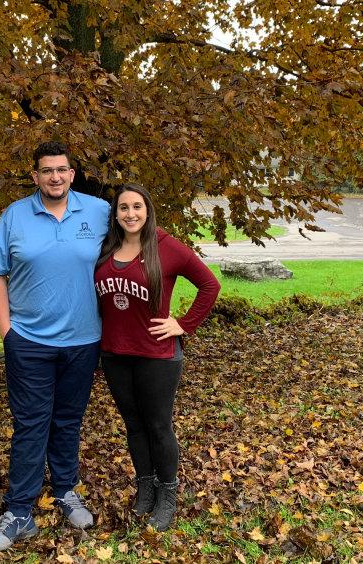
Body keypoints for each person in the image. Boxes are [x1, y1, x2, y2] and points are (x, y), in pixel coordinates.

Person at [0, 141, 110, 551]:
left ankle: (65, 491)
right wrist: (8, 333)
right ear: (35, 175)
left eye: (62, 169)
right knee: (31, 424)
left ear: (72, 174)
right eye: (46, 170)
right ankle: (19, 509)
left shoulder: (98, 211)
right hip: (30, 342)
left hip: (83, 341)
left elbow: (137, 246)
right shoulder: (14, 216)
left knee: (68, 420)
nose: (55, 176)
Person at [94, 184, 221, 532]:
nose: (130, 214)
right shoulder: (107, 248)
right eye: (123, 208)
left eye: (137, 206)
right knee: (133, 426)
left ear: (147, 210)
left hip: (156, 354)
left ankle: (168, 494)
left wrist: (183, 324)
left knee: (158, 426)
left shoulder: (166, 246)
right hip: (115, 354)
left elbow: (209, 285)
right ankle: (145, 487)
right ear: (116, 214)